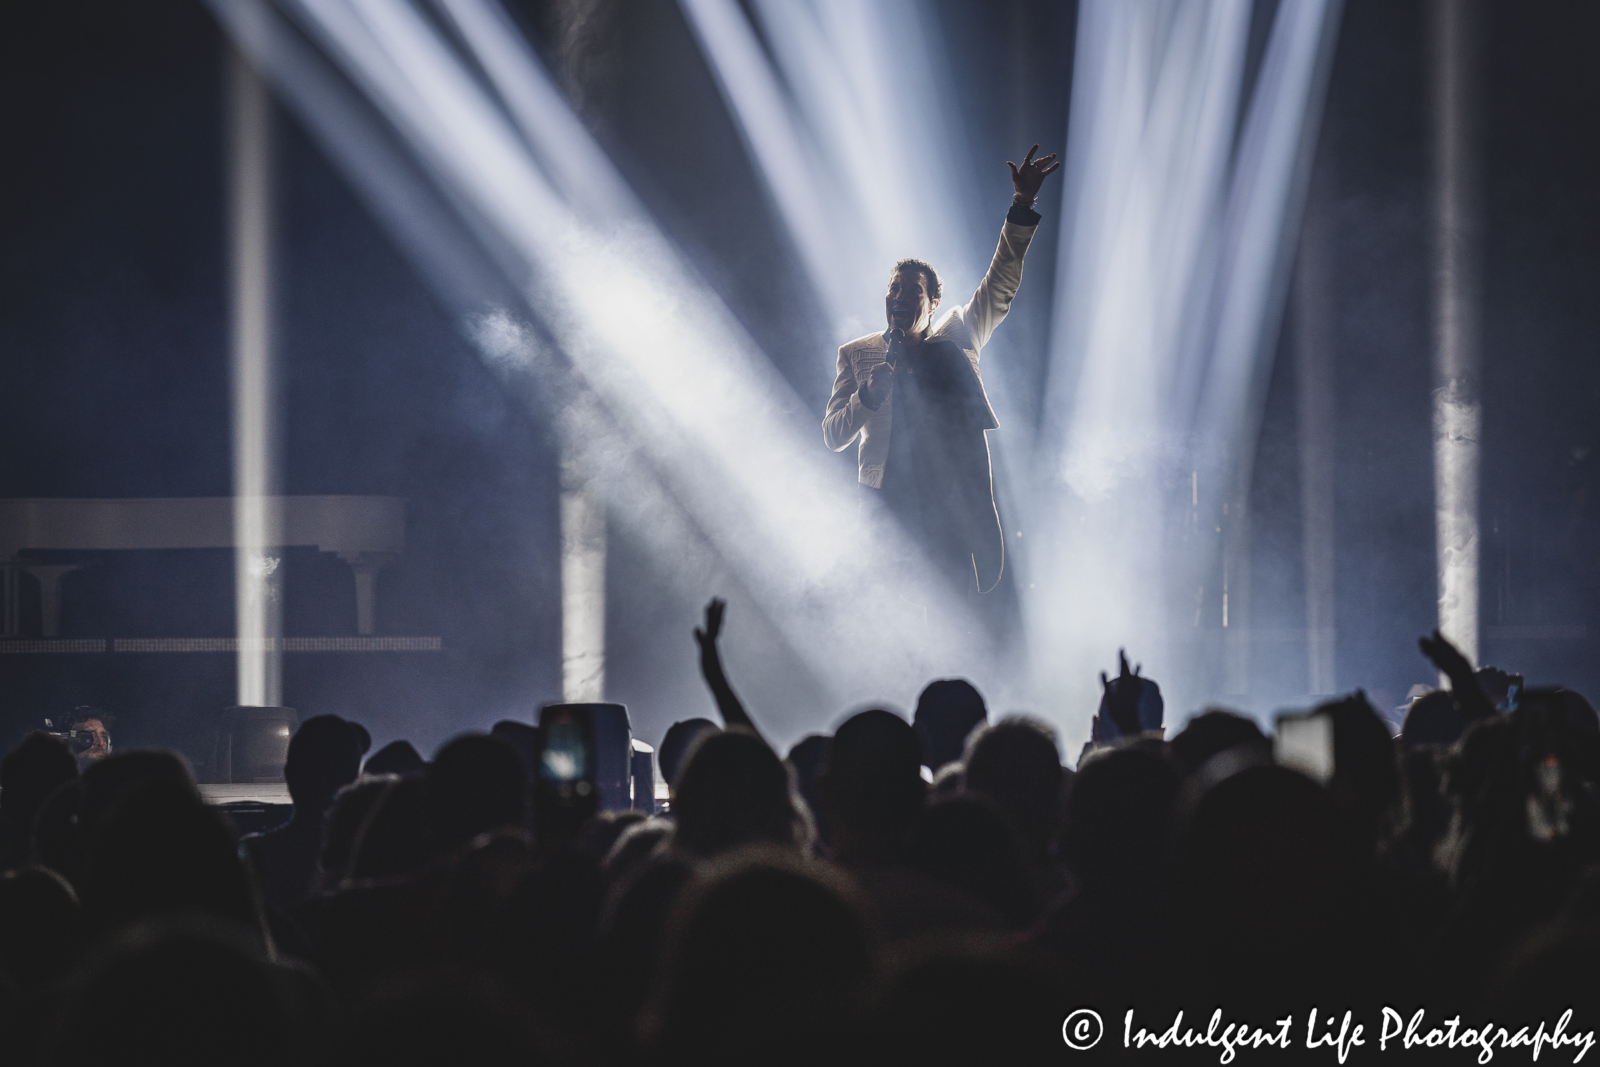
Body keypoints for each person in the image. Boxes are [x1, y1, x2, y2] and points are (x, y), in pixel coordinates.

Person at [823, 145, 1059, 594]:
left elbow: (1002, 280)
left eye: (912, 290)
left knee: (955, 618)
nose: (898, 296)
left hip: (952, 510)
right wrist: (865, 398)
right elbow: (833, 435)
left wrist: (1022, 205)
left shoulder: (958, 333)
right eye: (893, 289)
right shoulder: (857, 354)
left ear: (932, 303)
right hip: (887, 508)